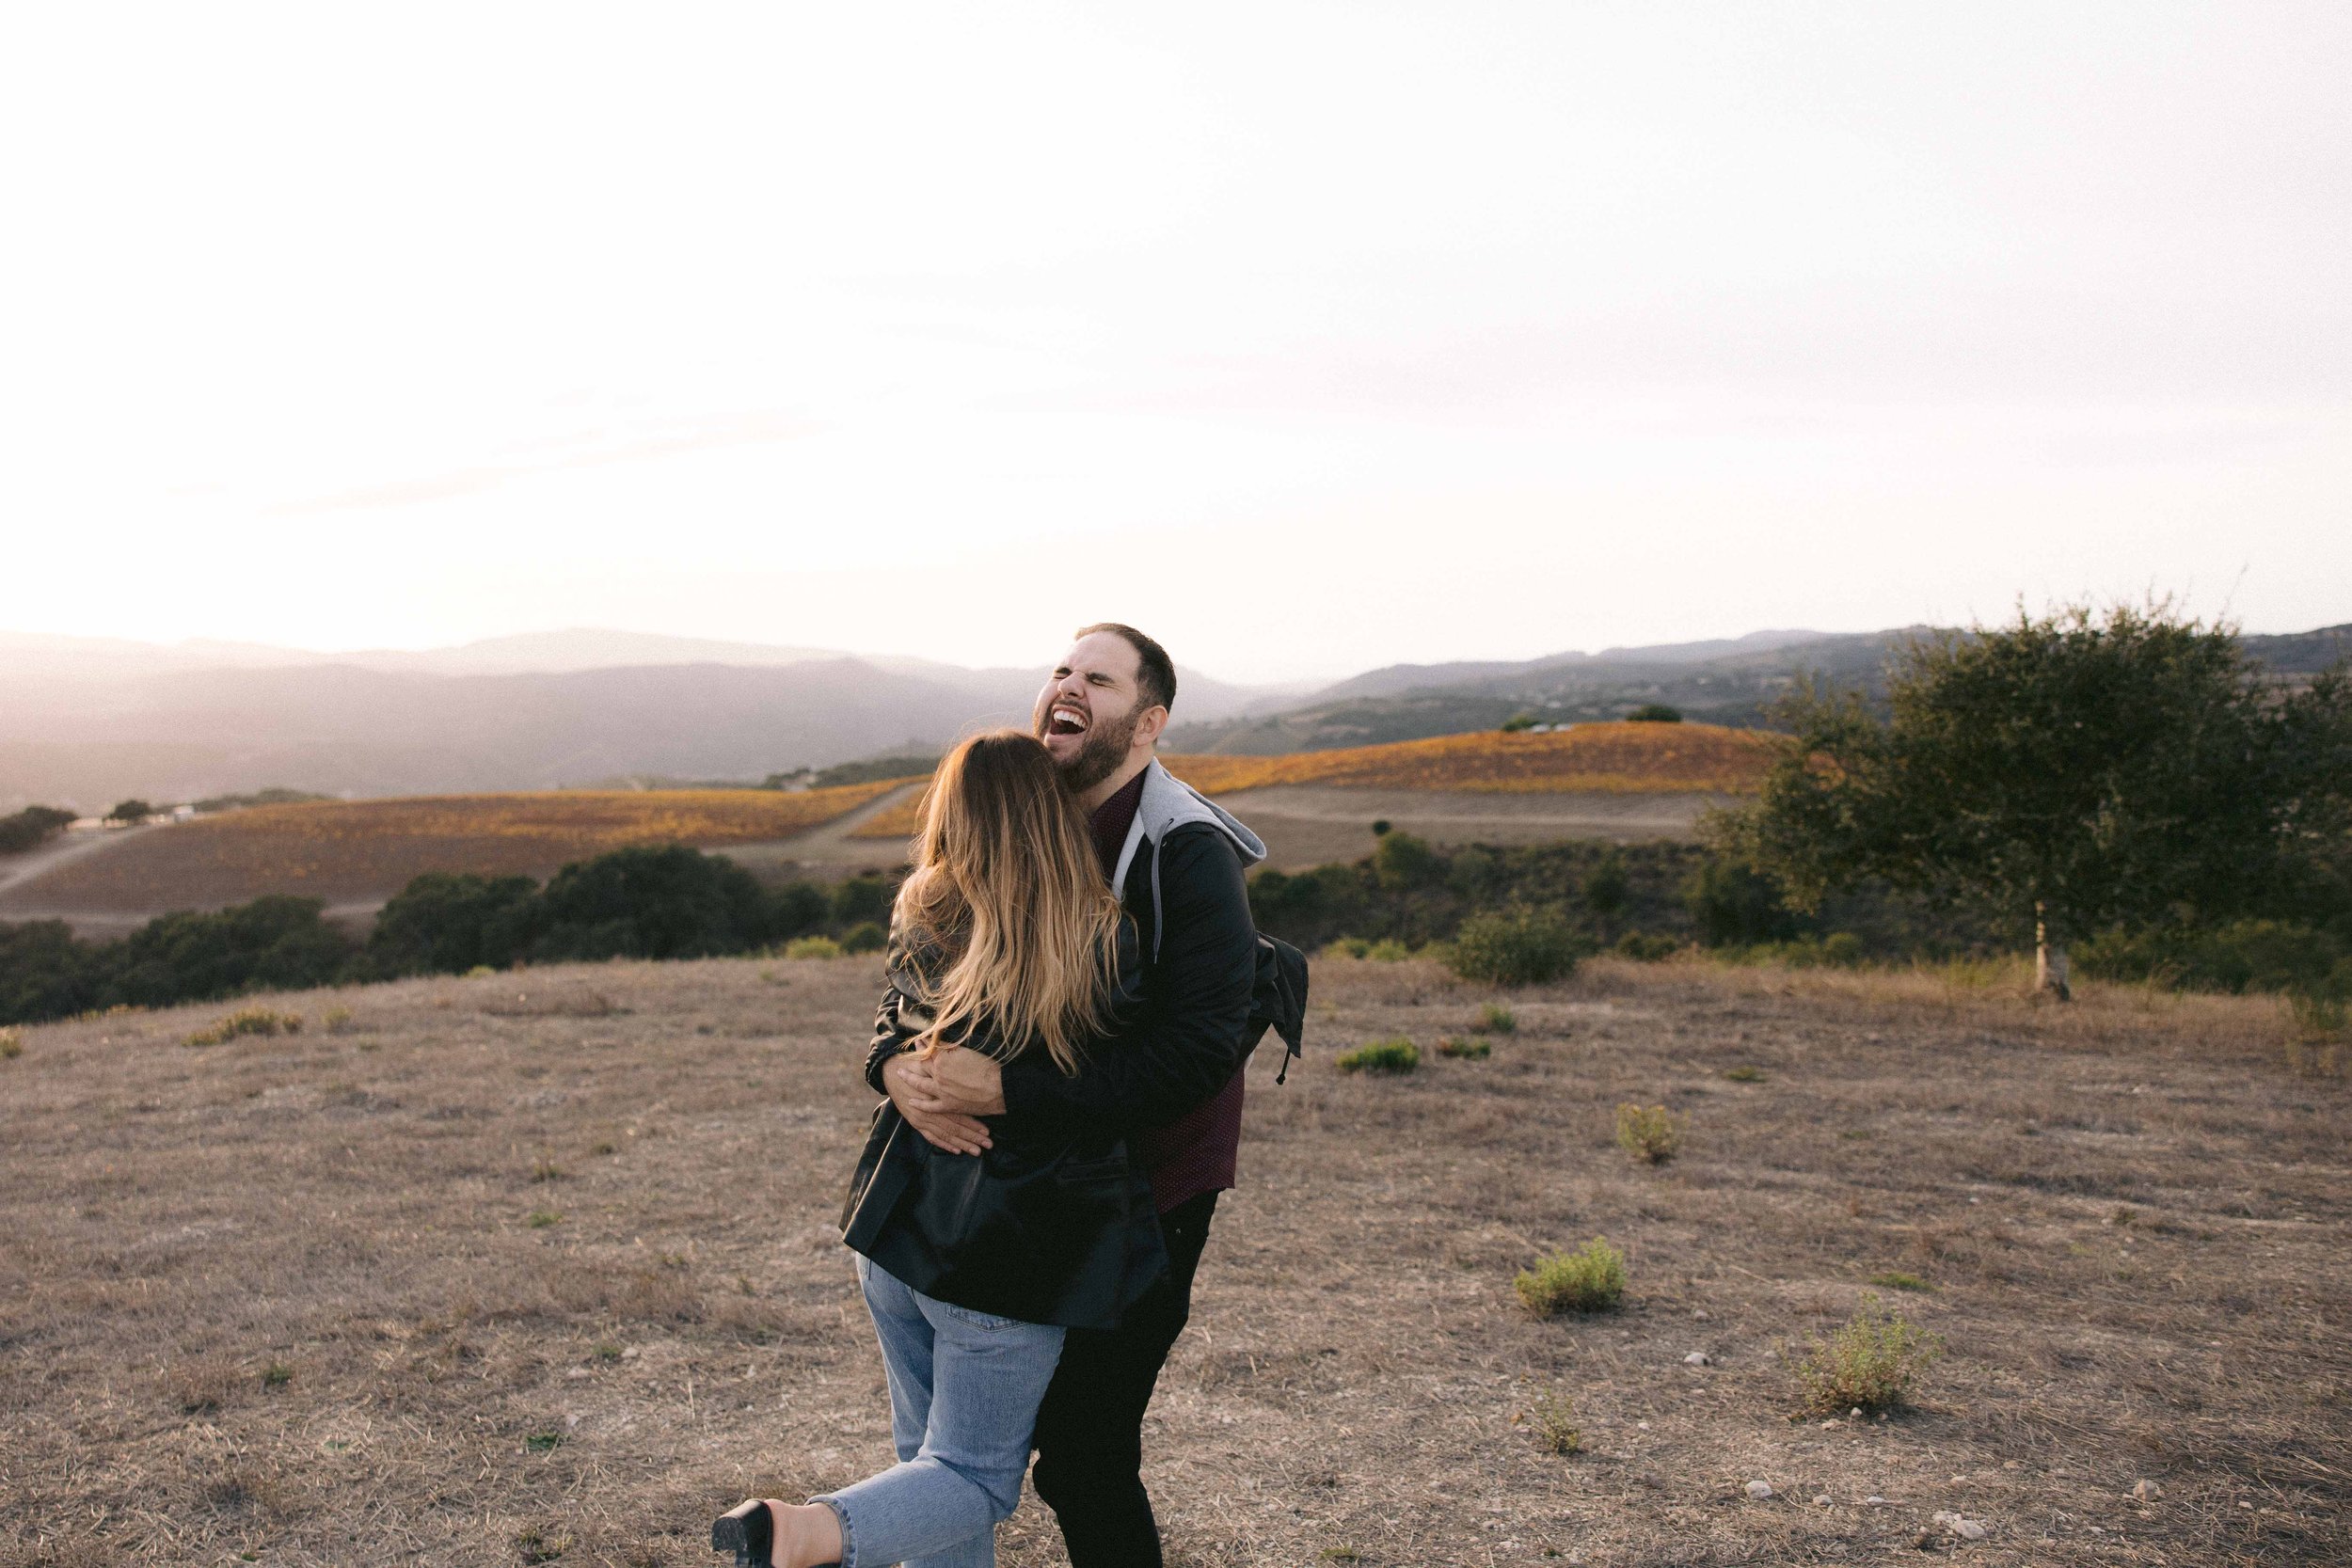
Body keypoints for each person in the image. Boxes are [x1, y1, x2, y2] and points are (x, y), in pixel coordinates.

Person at [719, 728, 1170, 1568]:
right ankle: (796, 1532)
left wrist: (893, 1063)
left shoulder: (923, 900)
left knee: (924, 1465)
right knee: (972, 1475)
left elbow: (901, 1017)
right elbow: (1127, 1082)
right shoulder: (1100, 933)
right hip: (1006, 1251)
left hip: (897, 1228)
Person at [882, 623, 1266, 1568]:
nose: (1067, 684)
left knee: (1084, 1456)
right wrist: (893, 1066)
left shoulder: (1186, 850)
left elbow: (1197, 1053)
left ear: (1147, 721)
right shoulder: (1023, 811)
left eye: (1097, 677)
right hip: (1038, 1187)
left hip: (1149, 1190)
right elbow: (920, 978)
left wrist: (1010, 1091)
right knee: (958, 1448)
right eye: (1061, 669)